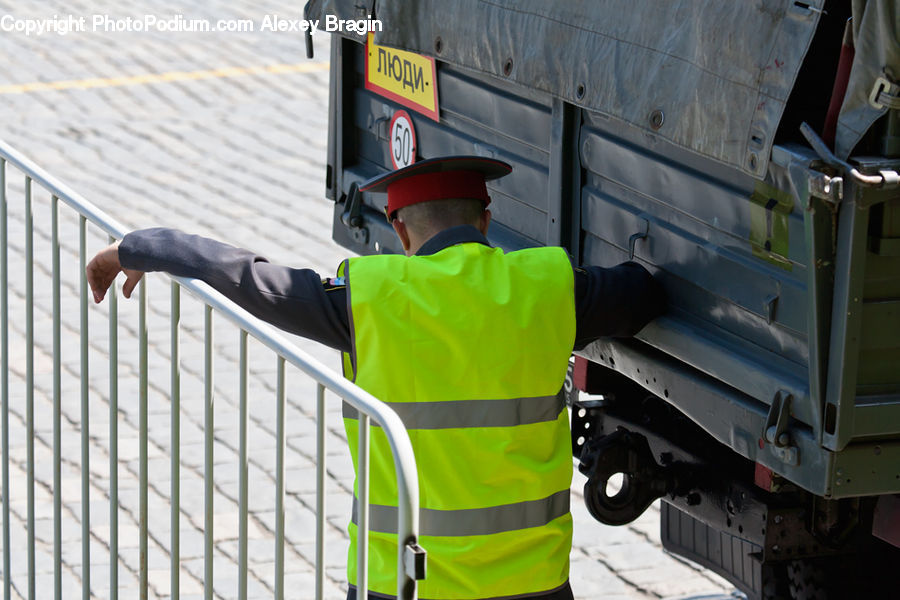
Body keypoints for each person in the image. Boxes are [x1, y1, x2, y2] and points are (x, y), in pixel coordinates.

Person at [87, 155, 665, 600]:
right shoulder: (549, 288)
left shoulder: (370, 299)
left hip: (406, 586)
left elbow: (248, 277)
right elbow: (642, 292)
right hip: (532, 584)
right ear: (486, 220)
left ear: (401, 231)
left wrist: (138, 248)